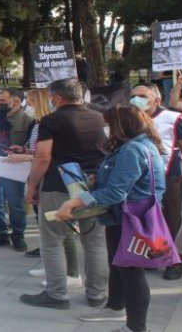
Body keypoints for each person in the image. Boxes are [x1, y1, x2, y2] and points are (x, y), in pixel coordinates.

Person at [56, 104, 166, 331]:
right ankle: (115, 307)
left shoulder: (132, 150)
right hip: (128, 215)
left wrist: (74, 202)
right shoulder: (138, 145)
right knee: (119, 265)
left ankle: (136, 327)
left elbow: (117, 192)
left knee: (131, 271)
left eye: (108, 124)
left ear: (120, 125)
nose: (105, 128)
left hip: (130, 217)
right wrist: (99, 179)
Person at [20, 78, 108, 310]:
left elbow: (43, 157)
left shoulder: (52, 120)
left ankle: (56, 294)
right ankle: (97, 293)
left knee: (52, 240)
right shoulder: (99, 116)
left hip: (58, 186)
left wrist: (32, 185)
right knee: (95, 242)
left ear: (57, 98)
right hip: (95, 185)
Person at [10, 88, 82, 286]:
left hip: (51, 178)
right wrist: (24, 150)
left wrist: (25, 158)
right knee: (45, 225)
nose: (27, 105)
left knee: (61, 229)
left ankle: (71, 274)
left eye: (30, 101)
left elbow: (46, 155)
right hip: (43, 175)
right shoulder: (38, 123)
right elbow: (38, 151)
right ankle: (52, 265)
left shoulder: (51, 122)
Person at [129, 83, 182, 281]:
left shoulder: (172, 118)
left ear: (156, 100)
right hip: (138, 176)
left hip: (167, 175)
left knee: (171, 218)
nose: (136, 99)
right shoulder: (130, 118)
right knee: (146, 217)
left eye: (142, 96)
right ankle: (154, 253)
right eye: (133, 95)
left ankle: (176, 261)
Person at [0, 88, 32, 251]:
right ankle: (0, 233)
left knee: (16, 204)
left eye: (2, 101)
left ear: (16, 101)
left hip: (14, 166)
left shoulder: (28, 120)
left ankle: (18, 236)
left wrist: (22, 152)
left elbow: (31, 146)